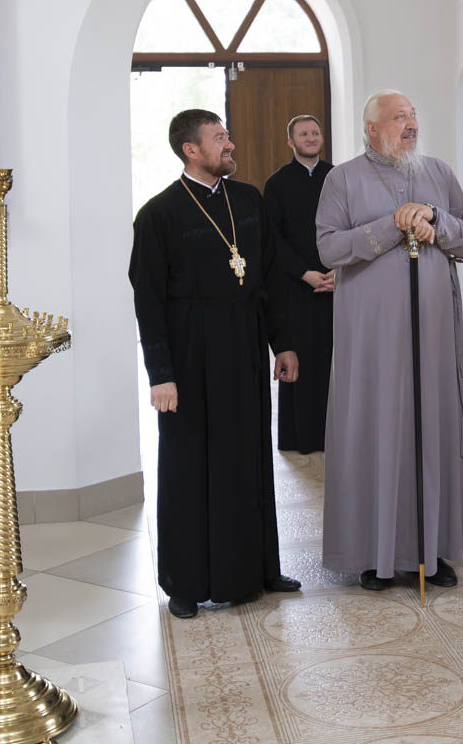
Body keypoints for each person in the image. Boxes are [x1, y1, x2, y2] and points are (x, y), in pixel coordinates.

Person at [129, 109, 302, 619]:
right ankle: (185, 583)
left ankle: (260, 569)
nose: (229, 144)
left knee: (249, 458)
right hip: (189, 353)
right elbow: (148, 301)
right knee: (189, 465)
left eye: (227, 135)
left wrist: (283, 343)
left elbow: (268, 277)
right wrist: (161, 374)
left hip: (244, 345)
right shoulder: (158, 214)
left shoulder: (247, 200)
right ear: (191, 149)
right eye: (219, 138)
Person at [316, 91, 463, 590]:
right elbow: (329, 247)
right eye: (398, 118)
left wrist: (436, 220)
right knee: (378, 429)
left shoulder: (439, 173)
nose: (411, 125)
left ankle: (432, 551)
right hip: (372, 341)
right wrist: (391, 226)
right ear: (372, 129)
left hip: (433, 333)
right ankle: (375, 554)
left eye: (413, 116)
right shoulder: (342, 179)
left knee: (432, 426)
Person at [262, 114, 335, 454]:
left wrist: (338, 270)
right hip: (295, 285)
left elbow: (351, 227)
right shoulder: (277, 184)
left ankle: (336, 435)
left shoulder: (338, 178)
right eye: (303, 134)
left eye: (315, 132)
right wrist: (304, 273)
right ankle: (300, 436)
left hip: (335, 283)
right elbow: (272, 238)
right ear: (291, 141)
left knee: (333, 360)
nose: (311, 138)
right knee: (300, 358)